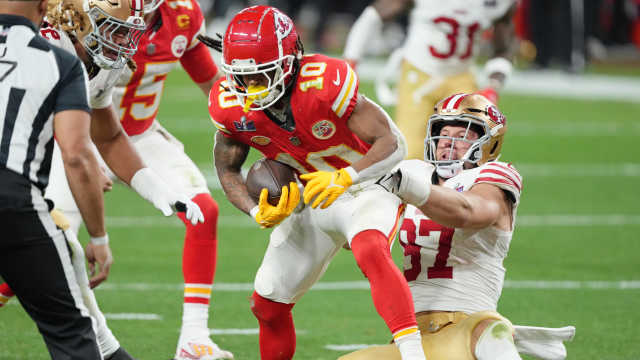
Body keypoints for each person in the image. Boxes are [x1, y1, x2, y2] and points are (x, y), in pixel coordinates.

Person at [203, 5, 426, 360]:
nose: (251, 88)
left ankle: (415, 355)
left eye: (262, 76)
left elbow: (394, 143)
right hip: (311, 196)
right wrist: (253, 210)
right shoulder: (230, 104)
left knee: (370, 249)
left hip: (367, 183)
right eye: (242, 78)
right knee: (268, 303)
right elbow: (229, 170)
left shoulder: (324, 82)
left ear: (291, 61)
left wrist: (347, 176)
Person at [0, 0, 206, 358]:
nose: (125, 40)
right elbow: (77, 153)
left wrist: (159, 191)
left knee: (66, 252)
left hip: (23, 177)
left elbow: (109, 137)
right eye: (114, 27)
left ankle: (108, 350)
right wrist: (100, 234)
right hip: (16, 185)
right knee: (61, 264)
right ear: (80, 16)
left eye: (128, 30)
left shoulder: (87, 60)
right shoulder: (55, 52)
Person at [340, 93, 575, 360]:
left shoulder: (494, 174)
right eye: (443, 134)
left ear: (489, 143)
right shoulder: (412, 171)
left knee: (492, 336)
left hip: (470, 325)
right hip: (412, 336)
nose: (449, 143)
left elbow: (468, 211)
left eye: (463, 135)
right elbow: (354, 234)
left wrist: (403, 185)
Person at [105, 0, 233, 358]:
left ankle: (194, 337)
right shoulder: (88, 9)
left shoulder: (182, 15)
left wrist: (255, 125)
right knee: (50, 232)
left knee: (203, 211)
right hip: (82, 132)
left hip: (140, 135)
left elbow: (211, 82)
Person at [0, 0, 104, 358]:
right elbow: (76, 154)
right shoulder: (57, 61)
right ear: (45, 7)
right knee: (70, 332)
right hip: (14, 202)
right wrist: (99, 236)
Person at [343, 0, 517, 160]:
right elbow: (374, 15)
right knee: (409, 152)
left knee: (465, 154)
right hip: (419, 74)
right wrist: (351, 59)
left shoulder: (500, 3)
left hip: (461, 77)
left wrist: (493, 86)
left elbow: (503, 48)